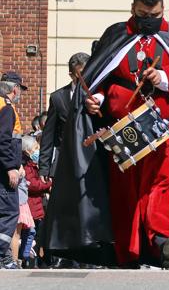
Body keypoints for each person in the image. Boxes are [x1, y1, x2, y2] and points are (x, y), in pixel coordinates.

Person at [44, 0, 169, 269]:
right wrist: (94, 100)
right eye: (142, 14)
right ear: (132, 9)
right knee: (125, 193)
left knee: (162, 187)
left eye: (155, 14)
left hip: (163, 133)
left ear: (163, 9)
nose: (149, 20)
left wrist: (161, 76)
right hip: (122, 131)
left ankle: (164, 241)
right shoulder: (117, 34)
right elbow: (102, 78)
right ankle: (127, 251)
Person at [39, 52, 90, 182]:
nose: (84, 79)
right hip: (65, 162)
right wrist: (44, 167)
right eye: (80, 76)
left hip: (91, 161)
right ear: (71, 75)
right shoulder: (58, 98)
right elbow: (48, 135)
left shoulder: (98, 94)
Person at [0, 74, 24, 269]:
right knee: (9, 212)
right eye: (20, 90)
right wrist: (11, 167)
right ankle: (1, 254)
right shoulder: (6, 109)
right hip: (3, 172)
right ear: (14, 88)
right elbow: (4, 141)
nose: (20, 95)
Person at [19, 135, 51, 268]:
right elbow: (32, 184)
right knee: (30, 235)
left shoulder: (33, 165)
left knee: (36, 236)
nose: (38, 151)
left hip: (38, 206)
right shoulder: (26, 167)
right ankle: (27, 259)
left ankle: (34, 260)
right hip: (32, 207)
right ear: (27, 151)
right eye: (35, 148)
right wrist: (48, 184)